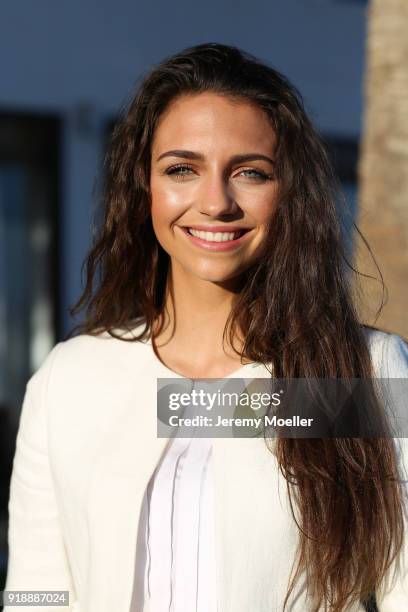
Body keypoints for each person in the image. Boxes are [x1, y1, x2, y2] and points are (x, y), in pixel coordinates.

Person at [4, 42, 408, 612]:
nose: (215, 202)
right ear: (144, 187)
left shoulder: (360, 374)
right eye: (182, 169)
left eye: (249, 172)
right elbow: (33, 596)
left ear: (287, 193)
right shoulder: (69, 381)